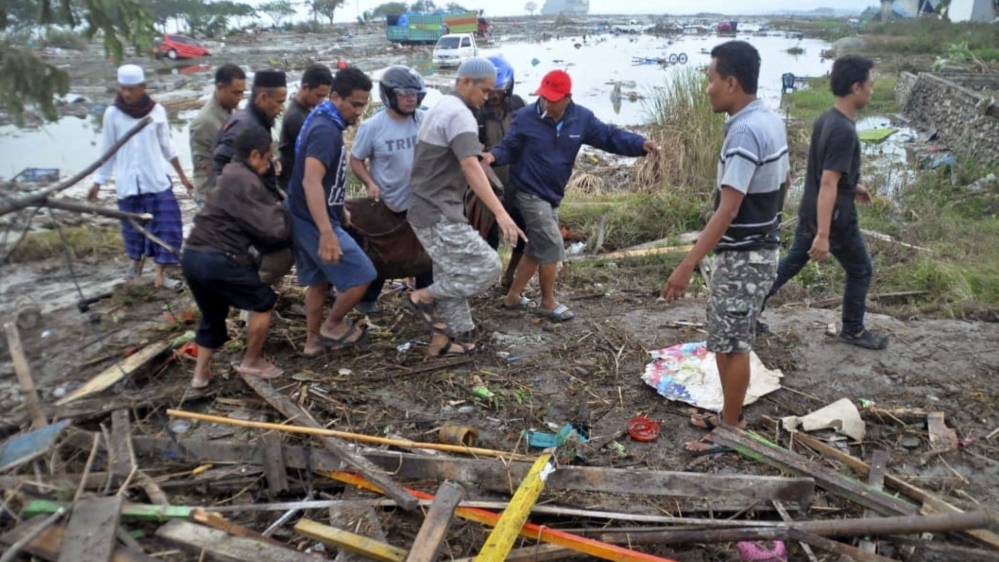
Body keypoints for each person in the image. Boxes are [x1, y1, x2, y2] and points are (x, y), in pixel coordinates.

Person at [661, 41, 790, 455]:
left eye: (711, 79)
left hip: (744, 256)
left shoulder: (746, 131)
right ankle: (730, 415)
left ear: (731, 83)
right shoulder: (768, 119)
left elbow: (728, 208)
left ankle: (731, 431)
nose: (707, 88)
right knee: (729, 338)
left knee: (732, 344)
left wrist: (686, 265)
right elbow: (784, 182)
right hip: (761, 249)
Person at [483, 69, 657, 321]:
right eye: (543, 97)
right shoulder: (524, 118)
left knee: (537, 246)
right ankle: (547, 302)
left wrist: (640, 144)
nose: (546, 103)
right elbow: (509, 147)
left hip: (552, 193)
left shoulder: (581, 119)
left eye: (552, 99)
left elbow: (609, 136)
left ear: (567, 97)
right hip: (526, 191)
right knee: (552, 243)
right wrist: (492, 156)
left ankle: (513, 296)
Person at [761, 55, 887, 350]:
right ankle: (853, 330)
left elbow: (825, 173)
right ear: (856, 87)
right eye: (870, 84)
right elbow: (828, 182)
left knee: (790, 264)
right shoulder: (843, 130)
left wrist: (852, 185)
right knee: (861, 270)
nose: (872, 90)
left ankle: (747, 311)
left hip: (812, 208)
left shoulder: (827, 118)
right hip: (834, 217)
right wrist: (823, 234)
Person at [406, 58, 526, 357]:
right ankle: (422, 297)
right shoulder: (460, 114)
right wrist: (501, 212)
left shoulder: (442, 107)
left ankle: (454, 339)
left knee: (453, 271)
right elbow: (470, 165)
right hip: (436, 212)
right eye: (484, 91)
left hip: (428, 207)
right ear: (465, 82)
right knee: (487, 266)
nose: (486, 98)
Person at [183, 126, 292, 388]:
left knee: (212, 315)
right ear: (255, 155)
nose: (269, 165)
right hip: (218, 259)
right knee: (263, 301)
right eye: (268, 158)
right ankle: (252, 361)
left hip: (191, 257)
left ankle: (200, 375)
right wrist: (286, 210)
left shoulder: (230, 172)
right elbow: (273, 230)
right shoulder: (247, 181)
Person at [286, 67, 375, 357]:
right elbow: (311, 180)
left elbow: (326, 180)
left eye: (363, 104)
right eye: (355, 104)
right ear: (336, 97)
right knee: (362, 274)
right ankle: (332, 325)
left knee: (317, 281)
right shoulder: (325, 131)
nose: (359, 111)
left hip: (306, 214)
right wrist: (326, 231)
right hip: (312, 220)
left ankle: (312, 343)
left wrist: (338, 208)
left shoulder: (323, 118)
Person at [88, 64, 193, 289]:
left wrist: (183, 176)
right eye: (123, 88)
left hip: (155, 180)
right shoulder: (112, 114)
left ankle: (160, 273)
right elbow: (108, 150)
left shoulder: (156, 112)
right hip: (128, 183)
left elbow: (168, 146)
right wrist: (99, 181)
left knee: (166, 225)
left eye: (132, 89)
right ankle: (135, 264)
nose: (127, 93)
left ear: (143, 87)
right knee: (133, 228)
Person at [349, 65, 432, 315]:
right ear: (389, 95)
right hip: (388, 203)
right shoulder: (373, 127)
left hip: (421, 202)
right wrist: (370, 183)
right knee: (383, 256)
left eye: (415, 94)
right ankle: (366, 301)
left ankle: (422, 299)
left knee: (427, 253)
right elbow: (355, 159)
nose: (411, 99)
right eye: (405, 94)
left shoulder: (424, 120)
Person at [210, 69, 291, 286]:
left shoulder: (250, 120)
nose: (282, 108)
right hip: (244, 210)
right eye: (279, 102)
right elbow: (221, 166)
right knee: (278, 257)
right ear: (263, 98)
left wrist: (271, 161)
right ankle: (252, 302)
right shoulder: (246, 125)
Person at [475, 55, 527, 290]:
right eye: (490, 91)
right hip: (486, 186)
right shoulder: (473, 112)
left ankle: (509, 276)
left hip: (517, 182)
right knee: (487, 238)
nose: (494, 96)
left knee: (523, 234)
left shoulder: (519, 106)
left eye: (499, 90)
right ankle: (484, 280)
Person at [189, 64, 246, 206]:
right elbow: (204, 164)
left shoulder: (232, 109)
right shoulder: (205, 121)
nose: (239, 98)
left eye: (241, 93)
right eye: (235, 93)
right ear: (220, 87)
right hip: (211, 196)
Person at [278, 64, 334, 191]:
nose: (321, 101)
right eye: (318, 96)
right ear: (305, 87)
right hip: (293, 184)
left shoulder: (309, 109)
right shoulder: (295, 117)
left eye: (324, 97)